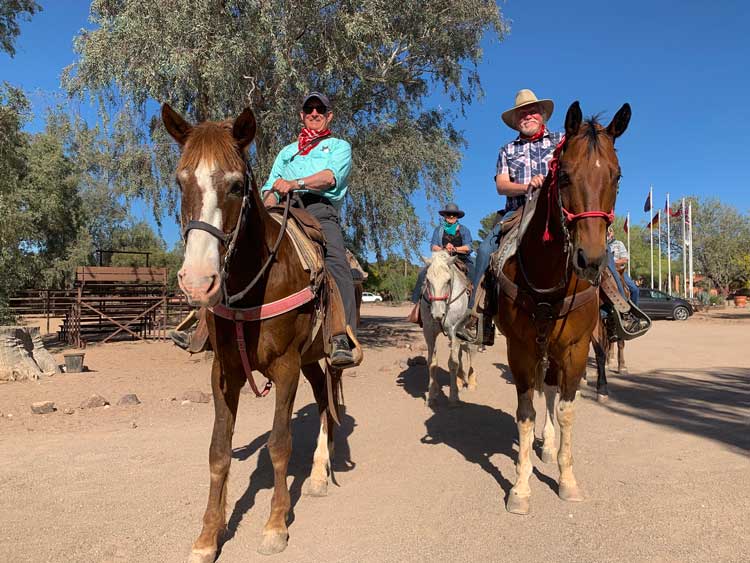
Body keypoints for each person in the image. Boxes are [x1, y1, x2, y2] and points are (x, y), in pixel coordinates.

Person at [457, 89, 562, 343]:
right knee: (484, 252)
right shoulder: (507, 150)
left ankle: (617, 307)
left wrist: (548, 183)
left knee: (597, 247)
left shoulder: (561, 140)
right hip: (518, 210)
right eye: (521, 114)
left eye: (532, 111)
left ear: (542, 115)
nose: (527, 116)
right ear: (516, 121)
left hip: (556, 209)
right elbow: (501, 185)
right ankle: (477, 315)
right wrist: (528, 186)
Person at [260, 91, 356, 365]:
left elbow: (329, 178)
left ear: (329, 116)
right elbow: (270, 186)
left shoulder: (339, 146)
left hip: (318, 210)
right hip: (281, 210)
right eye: (309, 109)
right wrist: (267, 205)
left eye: (320, 109)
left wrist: (294, 183)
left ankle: (341, 336)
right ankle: (205, 325)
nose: (314, 113)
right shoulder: (287, 152)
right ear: (302, 115)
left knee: (336, 262)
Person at [408, 203, 474, 322]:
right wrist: (444, 247)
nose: (451, 217)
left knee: (475, 276)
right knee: (422, 273)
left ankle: (473, 309)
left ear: (457, 217)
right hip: (441, 259)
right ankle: (417, 307)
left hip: (461, 259)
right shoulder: (439, 230)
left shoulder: (464, 230)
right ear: (445, 216)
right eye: (448, 214)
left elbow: (468, 247)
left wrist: (454, 248)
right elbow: (433, 246)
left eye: (453, 215)